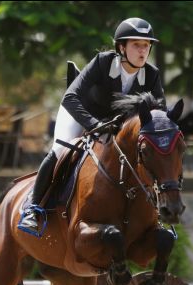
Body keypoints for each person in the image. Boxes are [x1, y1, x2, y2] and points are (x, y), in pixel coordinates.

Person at [18, 17, 164, 234]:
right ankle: (33, 207)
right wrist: (94, 124)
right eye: (136, 45)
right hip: (80, 113)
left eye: (146, 45)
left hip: (113, 126)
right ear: (121, 47)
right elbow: (70, 97)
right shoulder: (103, 62)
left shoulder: (151, 74)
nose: (143, 51)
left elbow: (160, 113)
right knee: (60, 150)